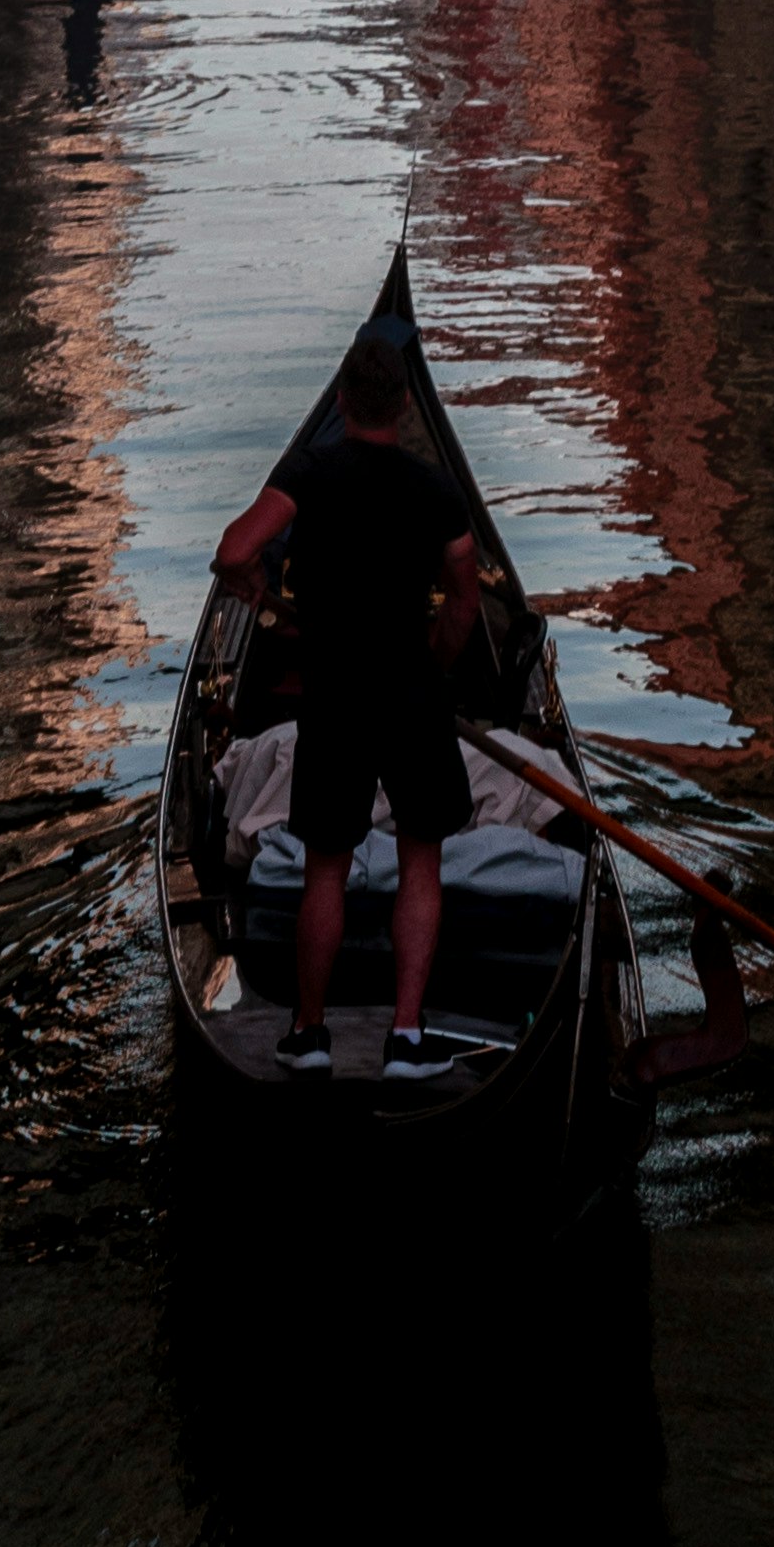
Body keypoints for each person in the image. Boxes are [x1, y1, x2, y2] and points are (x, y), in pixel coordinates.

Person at [215, 329, 481, 1090]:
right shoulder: (435, 490)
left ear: (339, 402)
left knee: (324, 871)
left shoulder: (309, 468)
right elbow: (463, 604)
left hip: (331, 689)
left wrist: (255, 589)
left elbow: (235, 550)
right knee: (419, 860)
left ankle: (307, 1035)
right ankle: (405, 1037)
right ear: (403, 404)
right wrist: (433, 664)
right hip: (409, 687)